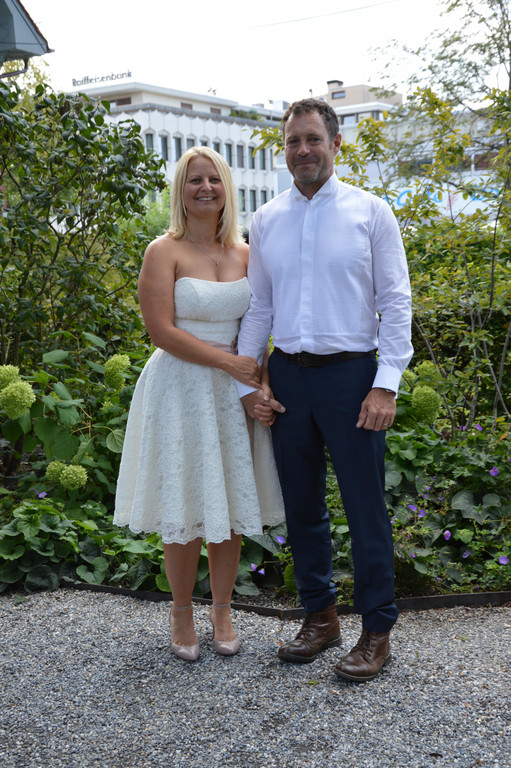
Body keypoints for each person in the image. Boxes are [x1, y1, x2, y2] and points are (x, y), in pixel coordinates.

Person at [237, 98, 413, 682]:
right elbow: (260, 307)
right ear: (284, 149)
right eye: (294, 141)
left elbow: (396, 303)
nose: (303, 150)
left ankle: (377, 629)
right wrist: (249, 382)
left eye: (313, 139)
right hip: (288, 377)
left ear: (336, 144)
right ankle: (320, 617)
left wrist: (385, 385)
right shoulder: (267, 220)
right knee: (301, 503)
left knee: (365, 507)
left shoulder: (371, 212)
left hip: (352, 377)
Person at [114, 146, 284, 661]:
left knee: (228, 503)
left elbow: (261, 326)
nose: (205, 188)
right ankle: (182, 611)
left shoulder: (247, 254)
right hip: (181, 388)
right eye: (194, 180)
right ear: (180, 191)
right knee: (186, 501)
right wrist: (229, 364)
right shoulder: (162, 250)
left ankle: (223, 610)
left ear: (226, 188)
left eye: (213, 179)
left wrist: (261, 385)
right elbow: (161, 331)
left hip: (234, 394)